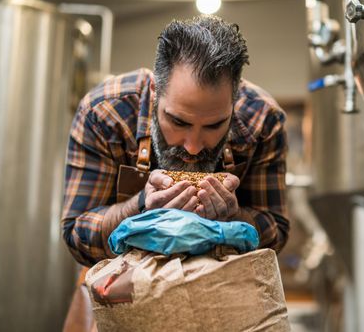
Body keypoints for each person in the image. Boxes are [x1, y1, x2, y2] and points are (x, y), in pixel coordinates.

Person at [61, 15, 289, 267]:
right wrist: (139, 206)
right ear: (154, 92)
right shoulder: (104, 113)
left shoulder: (262, 120)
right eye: (179, 122)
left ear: (235, 101)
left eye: (214, 125)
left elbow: (276, 235)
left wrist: (233, 215)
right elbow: (77, 235)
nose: (193, 147)